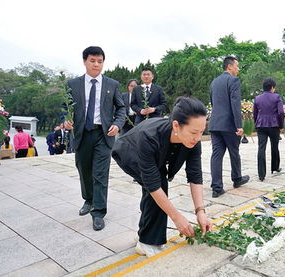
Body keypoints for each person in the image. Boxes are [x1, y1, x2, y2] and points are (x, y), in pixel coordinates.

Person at [112, 97, 212, 257]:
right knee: (157, 186)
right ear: (176, 125)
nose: (198, 137)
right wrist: (177, 218)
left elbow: (195, 175)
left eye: (202, 132)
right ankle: (146, 241)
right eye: (194, 132)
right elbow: (153, 185)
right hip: (129, 151)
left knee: (157, 188)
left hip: (157, 154)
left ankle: (145, 233)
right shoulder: (149, 136)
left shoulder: (194, 141)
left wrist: (200, 211)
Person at [64, 46, 126, 231]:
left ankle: (98, 212)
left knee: (100, 173)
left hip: (103, 134)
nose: (96, 64)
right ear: (84, 61)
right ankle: (88, 200)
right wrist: (65, 120)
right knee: (84, 169)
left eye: (100, 61)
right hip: (81, 134)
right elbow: (63, 107)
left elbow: (121, 108)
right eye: (92, 61)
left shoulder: (112, 84)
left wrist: (118, 123)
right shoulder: (72, 84)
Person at [209, 56, 249, 197]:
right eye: (237, 66)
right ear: (230, 66)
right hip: (229, 124)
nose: (238, 69)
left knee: (216, 155)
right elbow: (235, 104)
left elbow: (213, 102)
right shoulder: (234, 80)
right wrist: (239, 125)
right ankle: (237, 179)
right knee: (234, 151)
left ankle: (216, 187)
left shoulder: (214, 82)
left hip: (215, 123)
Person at [253, 78, 285, 181]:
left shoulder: (257, 98)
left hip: (261, 125)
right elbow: (281, 113)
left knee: (261, 148)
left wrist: (256, 123)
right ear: (272, 87)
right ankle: (275, 167)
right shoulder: (277, 97)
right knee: (274, 146)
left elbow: (255, 114)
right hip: (274, 125)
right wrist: (281, 125)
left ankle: (261, 174)